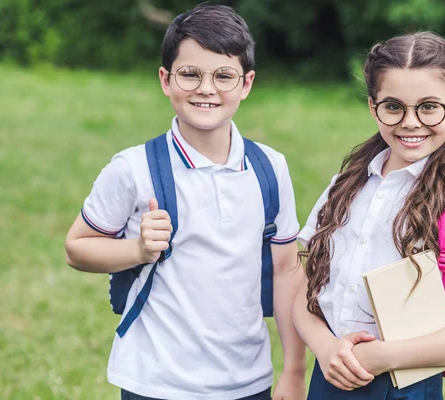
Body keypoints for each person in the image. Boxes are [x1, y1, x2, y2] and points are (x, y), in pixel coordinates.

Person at [64, 4, 306, 400]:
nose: (206, 89)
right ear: (166, 79)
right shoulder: (133, 167)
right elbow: (77, 248)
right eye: (190, 74)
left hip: (248, 381)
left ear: (246, 84)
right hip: (157, 381)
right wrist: (138, 249)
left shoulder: (270, 168)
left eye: (223, 76)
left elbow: (286, 271)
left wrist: (294, 370)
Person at [292, 32, 445, 399]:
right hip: (330, 375)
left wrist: (381, 357)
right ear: (374, 108)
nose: (410, 122)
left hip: (405, 383)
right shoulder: (345, 185)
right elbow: (303, 288)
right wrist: (325, 348)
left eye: (428, 107)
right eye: (394, 107)